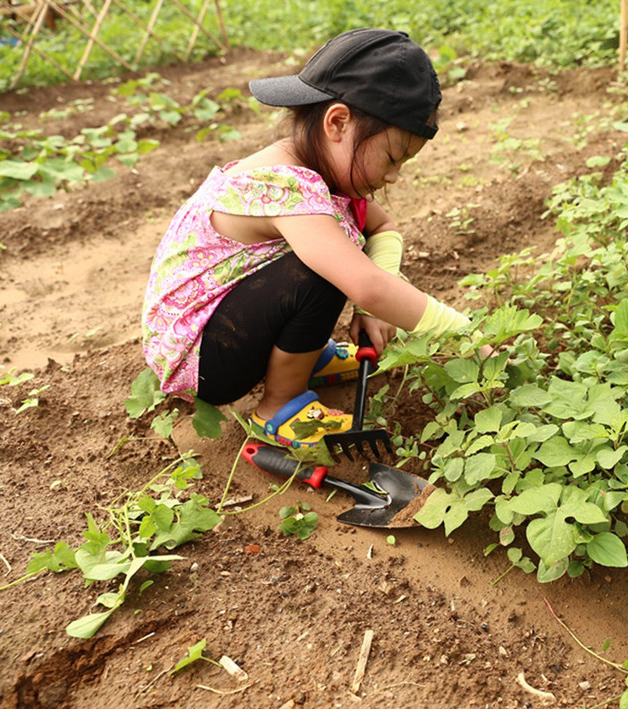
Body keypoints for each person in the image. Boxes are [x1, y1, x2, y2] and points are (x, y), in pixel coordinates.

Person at [141, 28, 471, 448]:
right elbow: (366, 285)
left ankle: (306, 357)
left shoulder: (323, 170)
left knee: (329, 260)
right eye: (391, 158)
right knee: (324, 270)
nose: (393, 176)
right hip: (203, 357)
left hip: (228, 324)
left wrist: (375, 311)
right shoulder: (284, 187)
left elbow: (383, 229)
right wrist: (467, 336)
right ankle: (281, 405)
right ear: (337, 122)